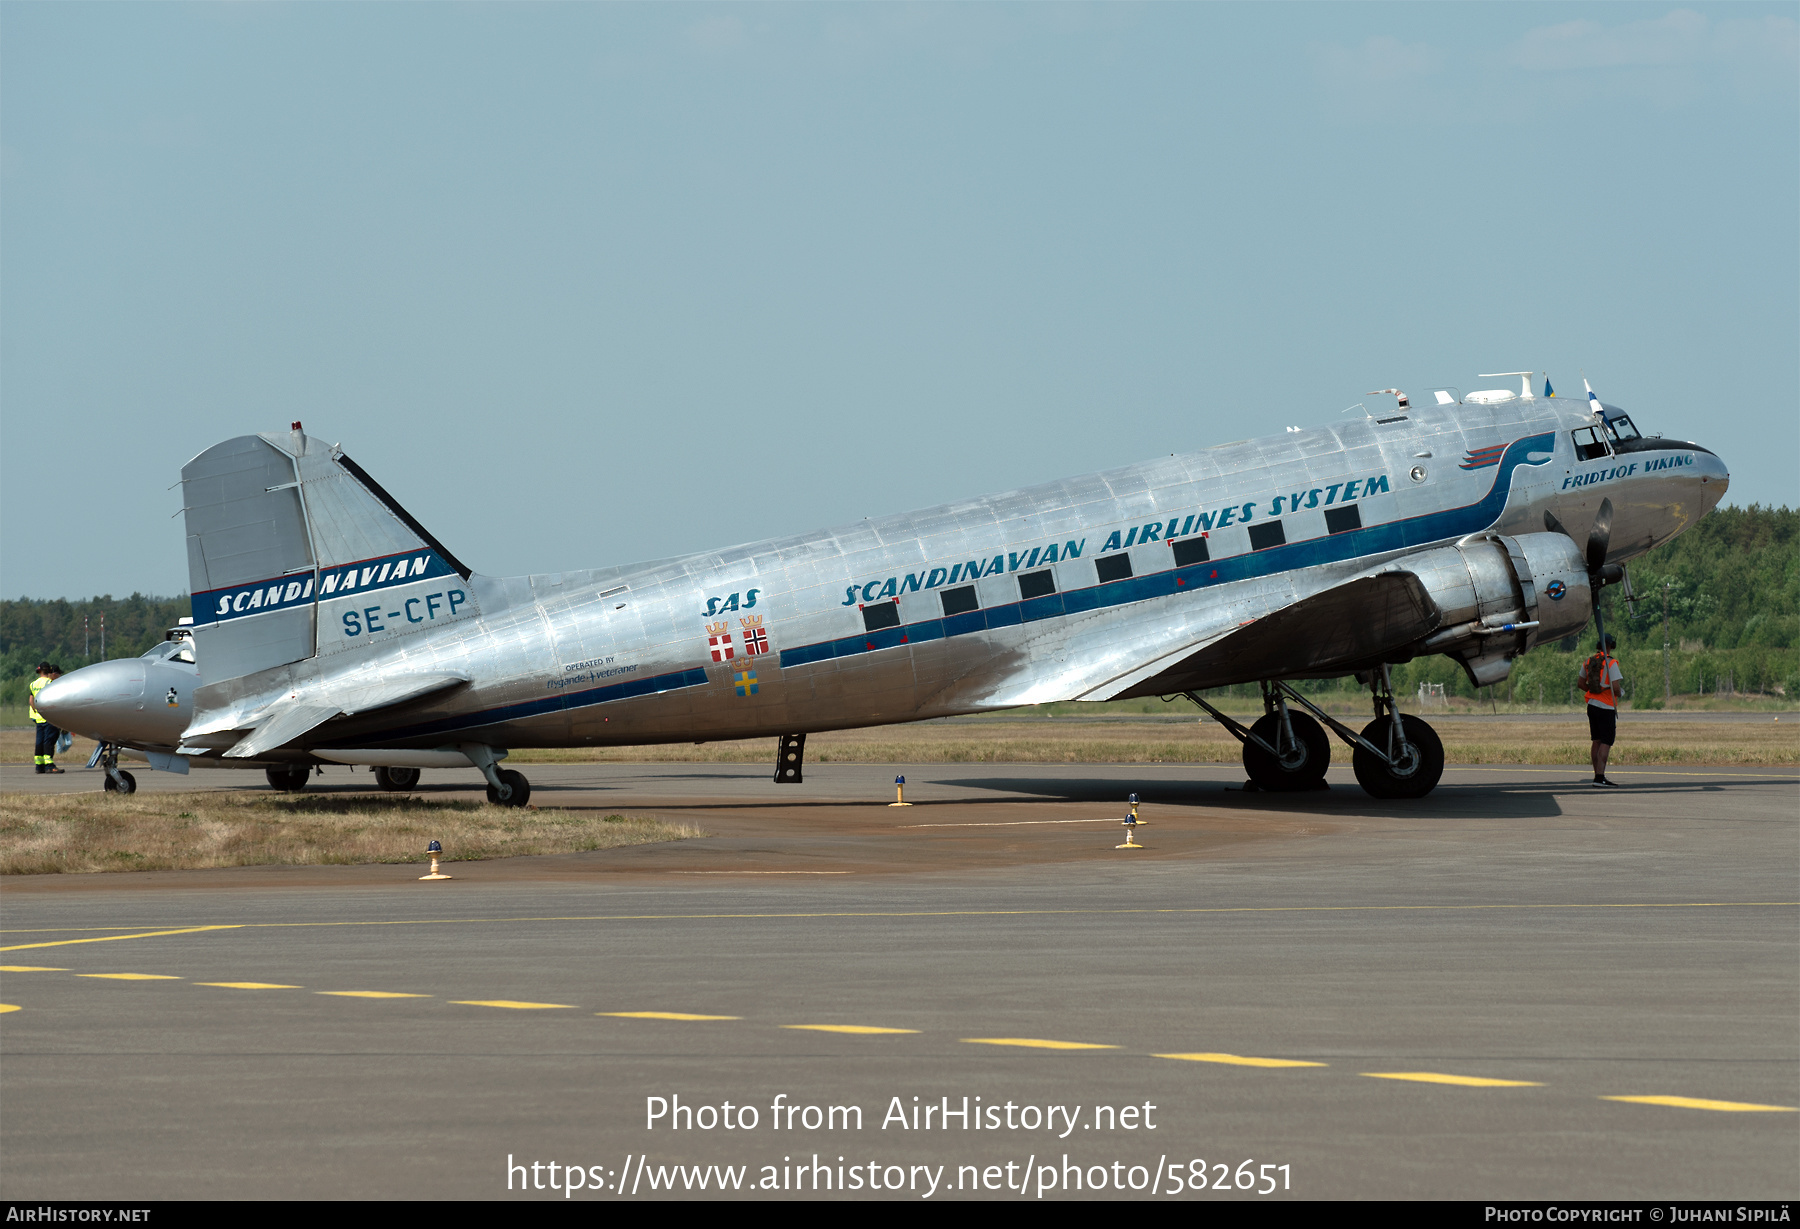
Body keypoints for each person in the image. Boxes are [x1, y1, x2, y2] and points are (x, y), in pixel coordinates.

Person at [1581, 633, 1624, 787]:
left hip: (1592, 705)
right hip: (1606, 706)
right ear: (1611, 645)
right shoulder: (1611, 663)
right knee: (1606, 741)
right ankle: (1600, 777)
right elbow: (1616, 688)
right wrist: (1620, 693)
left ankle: (1596, 775)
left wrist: (1594, 691)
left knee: (1596, 741)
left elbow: (1581, 683)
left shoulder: (1588, 661)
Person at [29, 662, 64, 774]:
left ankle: (39, 766)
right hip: (48, 717)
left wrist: (37, 710)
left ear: (39, 671)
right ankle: (49, 765)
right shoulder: (50, 683)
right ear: (49, 672)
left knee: (39, 741)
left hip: (39, 717)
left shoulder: (33, 684)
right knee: (48, 741)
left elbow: (31, 700)